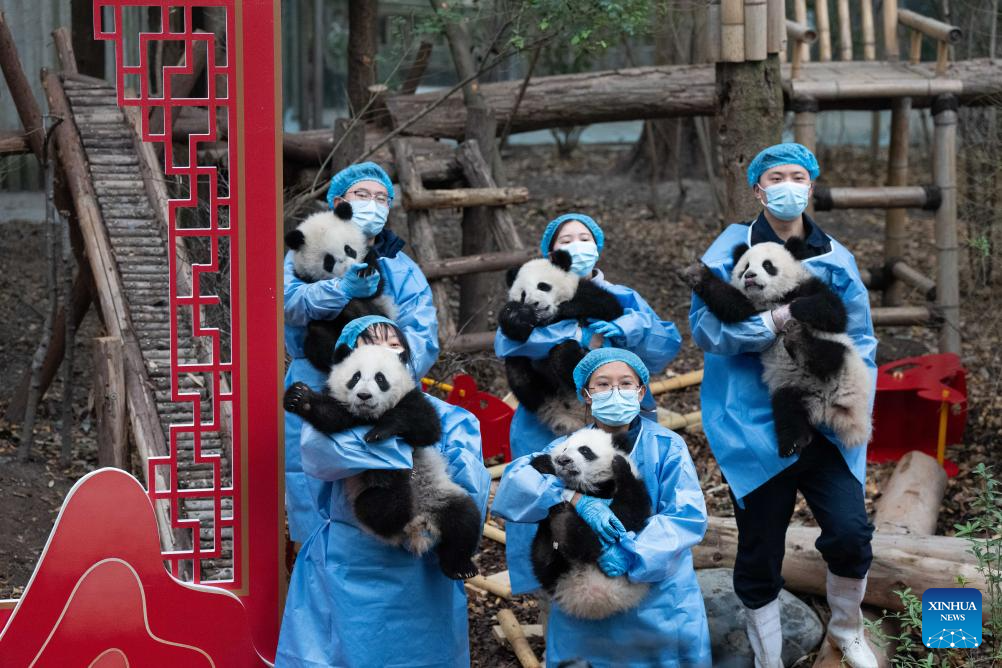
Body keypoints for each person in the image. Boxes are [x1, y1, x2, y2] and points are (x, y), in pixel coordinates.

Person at [688, 143, 878, 668]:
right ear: (758, 188)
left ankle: (847, 629)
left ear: (811, 186)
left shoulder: (835, 256)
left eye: (798, 176)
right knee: (760, 546)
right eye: (776, 177)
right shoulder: (730, 249)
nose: (788, 185)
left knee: (849, 532)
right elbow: (708, 331)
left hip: (826, 418)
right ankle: (768, 654)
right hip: (752, 425)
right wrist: (772, 323)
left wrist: (851, 395)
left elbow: (860, 336)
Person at [275, 316, 490, 668]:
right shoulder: (338, 402)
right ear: (346, 360)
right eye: (369, 344)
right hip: (354, 562)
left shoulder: (450, 415)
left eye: (393, 345)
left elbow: (471, 482)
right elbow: (323, 453)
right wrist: (311, 405)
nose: (383, 352)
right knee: (348, 652)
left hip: (425, 570)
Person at [495, 212, 682, 596]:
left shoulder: (624, 296)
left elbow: (664, 345)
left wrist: (632, 328)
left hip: (619, 422)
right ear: (551, 253)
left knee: (631, 503)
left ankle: (634, 574)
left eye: (585, 237)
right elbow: (511, 341)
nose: (577, 245)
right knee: (549, 528)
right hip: (549, 423)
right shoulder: (534, 286)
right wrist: (578, 330)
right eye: (567, 239)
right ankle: (555, 608)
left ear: (598, 246)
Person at [492, 348, 710, 667]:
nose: (615, 392)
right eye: (603, 384)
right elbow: (515, 487)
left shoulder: (667, 446)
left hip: (656, 597)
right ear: (586, 395)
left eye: (625, 383)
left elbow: (685, 518)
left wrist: (631, 551)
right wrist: (573, 498)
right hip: (581, 608)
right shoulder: (569, 445)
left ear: (640, 391)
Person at [283, 162, 439, 544]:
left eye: (382, 198)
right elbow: (290, 304)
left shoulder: (402, 267)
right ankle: (319, 567)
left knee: (392, 486)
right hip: (317, 383)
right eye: (362, 195)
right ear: (338, 204)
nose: (373, 204)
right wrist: (341, 290)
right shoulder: (304, 250)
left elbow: (424, 333)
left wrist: (391, 370)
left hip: (388, 393)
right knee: (316, 495)